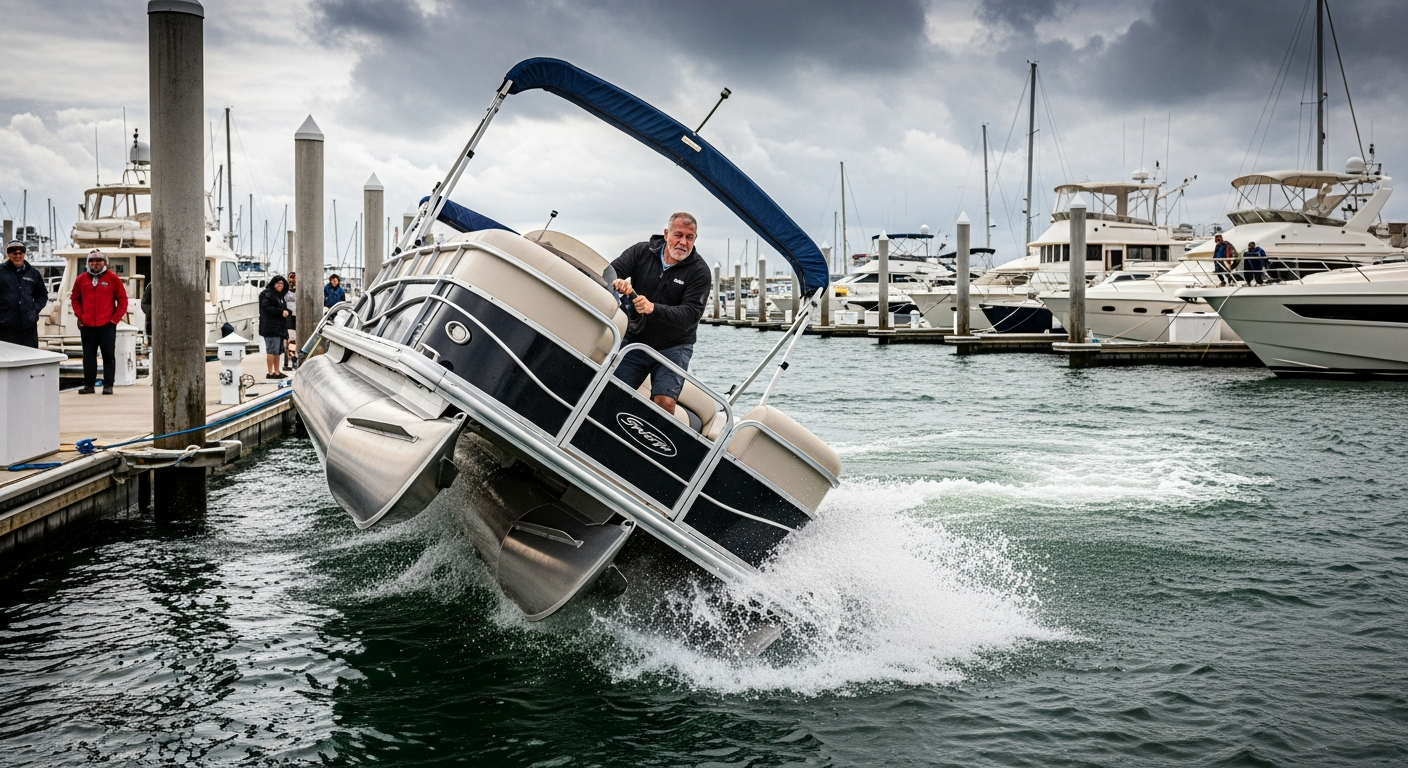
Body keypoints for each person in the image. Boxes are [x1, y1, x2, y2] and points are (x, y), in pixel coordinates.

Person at [609, 212, 711, 414]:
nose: (683, 242)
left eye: (689, 238)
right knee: (611, 392)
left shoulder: (700, 271)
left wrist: (653, 308)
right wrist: (617, 283)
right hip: (636, 339)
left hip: (675, 346)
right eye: (678, 235)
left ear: (695, 239)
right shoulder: (640, 251)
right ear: (666, 234)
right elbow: (610, 272)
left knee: (665, 402)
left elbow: (691, 314)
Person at [69, 250, 128, 394]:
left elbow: (122, 299)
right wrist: (80, 316)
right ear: (88, 263)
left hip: (107, 324)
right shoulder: (81, 279)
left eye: (98, 260)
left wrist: (115, 319)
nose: (95, 263)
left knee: (108, 356)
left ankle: (108, 385)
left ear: (105, 262)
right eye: (92, 261)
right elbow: (75, 299)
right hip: (87, 325)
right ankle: (89, 385)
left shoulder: (113, 278)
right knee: (88, 356)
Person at [0, 239, 48, 348]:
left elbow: (42, 294)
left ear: (24, 254)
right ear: (8, 254)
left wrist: (34, 309)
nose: (18, 255)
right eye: (14, 253)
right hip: (6, 327)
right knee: (9, 359)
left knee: (30, 358)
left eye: (20, 253)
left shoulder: (33, 273)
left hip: (28, 326)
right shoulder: (1, 272)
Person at [258, 275, 291, 379]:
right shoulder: (267, 294)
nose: (280, 286)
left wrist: (287, 312)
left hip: (279, 328)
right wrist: (281, 312)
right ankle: (270, 372)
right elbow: (267, 307)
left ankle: (277, 371)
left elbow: (283, 309)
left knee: (278, 351)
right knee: (271, 350)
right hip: (270, 327)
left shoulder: (279, 296)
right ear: (273, 284)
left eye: (282, 284)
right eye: (278, 284)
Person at [283, 271, 297, 370]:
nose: (292, 280)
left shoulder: (299, 290)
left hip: (298, 316)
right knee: (289, 338)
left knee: (295, 340)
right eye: (291, 278)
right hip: (288, 316)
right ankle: (289, 359)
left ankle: (294, 358)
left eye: (294, 278)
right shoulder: (285, 291)